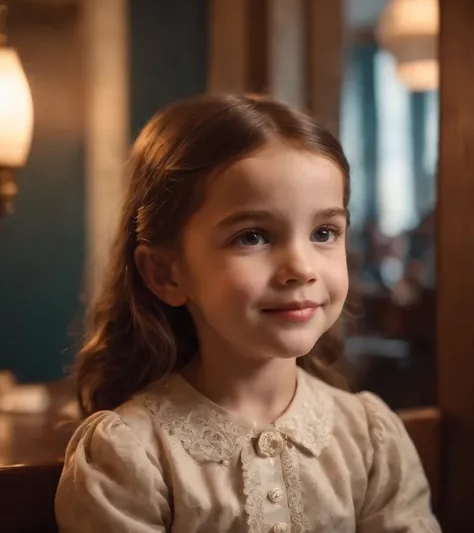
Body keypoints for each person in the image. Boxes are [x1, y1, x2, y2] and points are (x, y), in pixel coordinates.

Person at [55, 94, 441, 533]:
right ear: (165, 273)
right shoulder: (131, 456)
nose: (301, 268)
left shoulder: (371, 438)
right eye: (253, 236)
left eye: (323, 232)